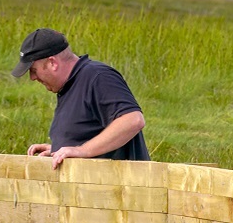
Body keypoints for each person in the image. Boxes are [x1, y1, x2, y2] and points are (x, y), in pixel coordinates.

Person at [12, 28, 149, 169]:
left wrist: (82, 150)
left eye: (34, 70)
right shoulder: (69, 86)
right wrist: (60, 149)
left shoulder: (98, 77)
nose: (32, 78)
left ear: (52, 63)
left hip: (121, 189)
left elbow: (132, 120)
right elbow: (90, 132)